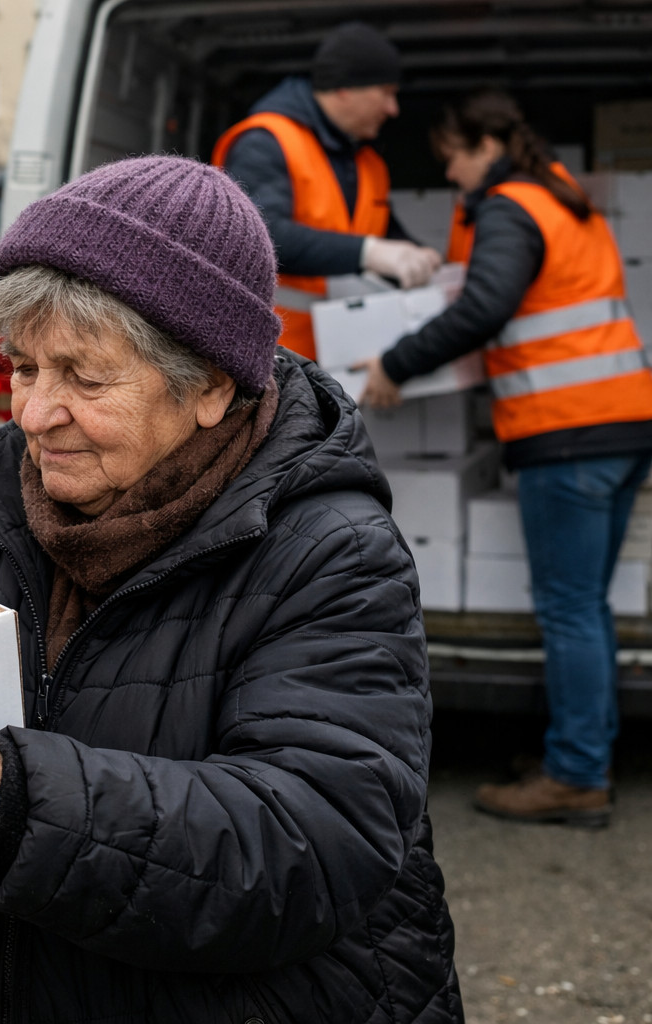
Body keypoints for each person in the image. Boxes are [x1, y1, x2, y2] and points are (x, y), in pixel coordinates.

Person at [0, 156, 463, 1022]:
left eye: (85, 377)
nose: (33, 414)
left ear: (212, 385)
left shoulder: (330, 552)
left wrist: (13, 806)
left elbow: (312, 843)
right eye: (24, 368)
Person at [358, 91, 652, 828]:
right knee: (587, 605)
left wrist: (396, 361)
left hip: (568, 434)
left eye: (452, 157)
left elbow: (486, 304)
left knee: (570, 608)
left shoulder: (509, 206)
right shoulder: (561, 193)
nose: (451, 174)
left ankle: (578, 776)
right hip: (621, 421)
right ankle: (579, 750)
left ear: (485, 144)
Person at [213, 20, 443, 361]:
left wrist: (416, 253)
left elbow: (377, 230)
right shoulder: (266, 142)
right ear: (345, 89)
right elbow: (258, 237)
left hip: (345, 353)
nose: (393, 109)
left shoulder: (366, 161)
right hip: (273, 358)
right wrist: (370, 253)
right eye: (386, 93)